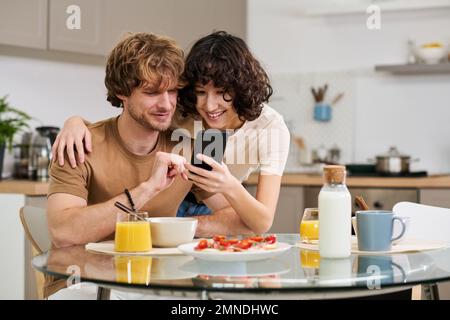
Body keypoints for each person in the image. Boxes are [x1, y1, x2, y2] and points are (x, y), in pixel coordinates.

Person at [51, 31, 290, 236]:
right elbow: (64, 233)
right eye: (153, 92)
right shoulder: (185, 112)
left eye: (172, 91)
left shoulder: (267, 128)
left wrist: (171, 226)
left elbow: (256, 222)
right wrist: (75, 122)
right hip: (96, 276)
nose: (209, 106)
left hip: (211, 201)